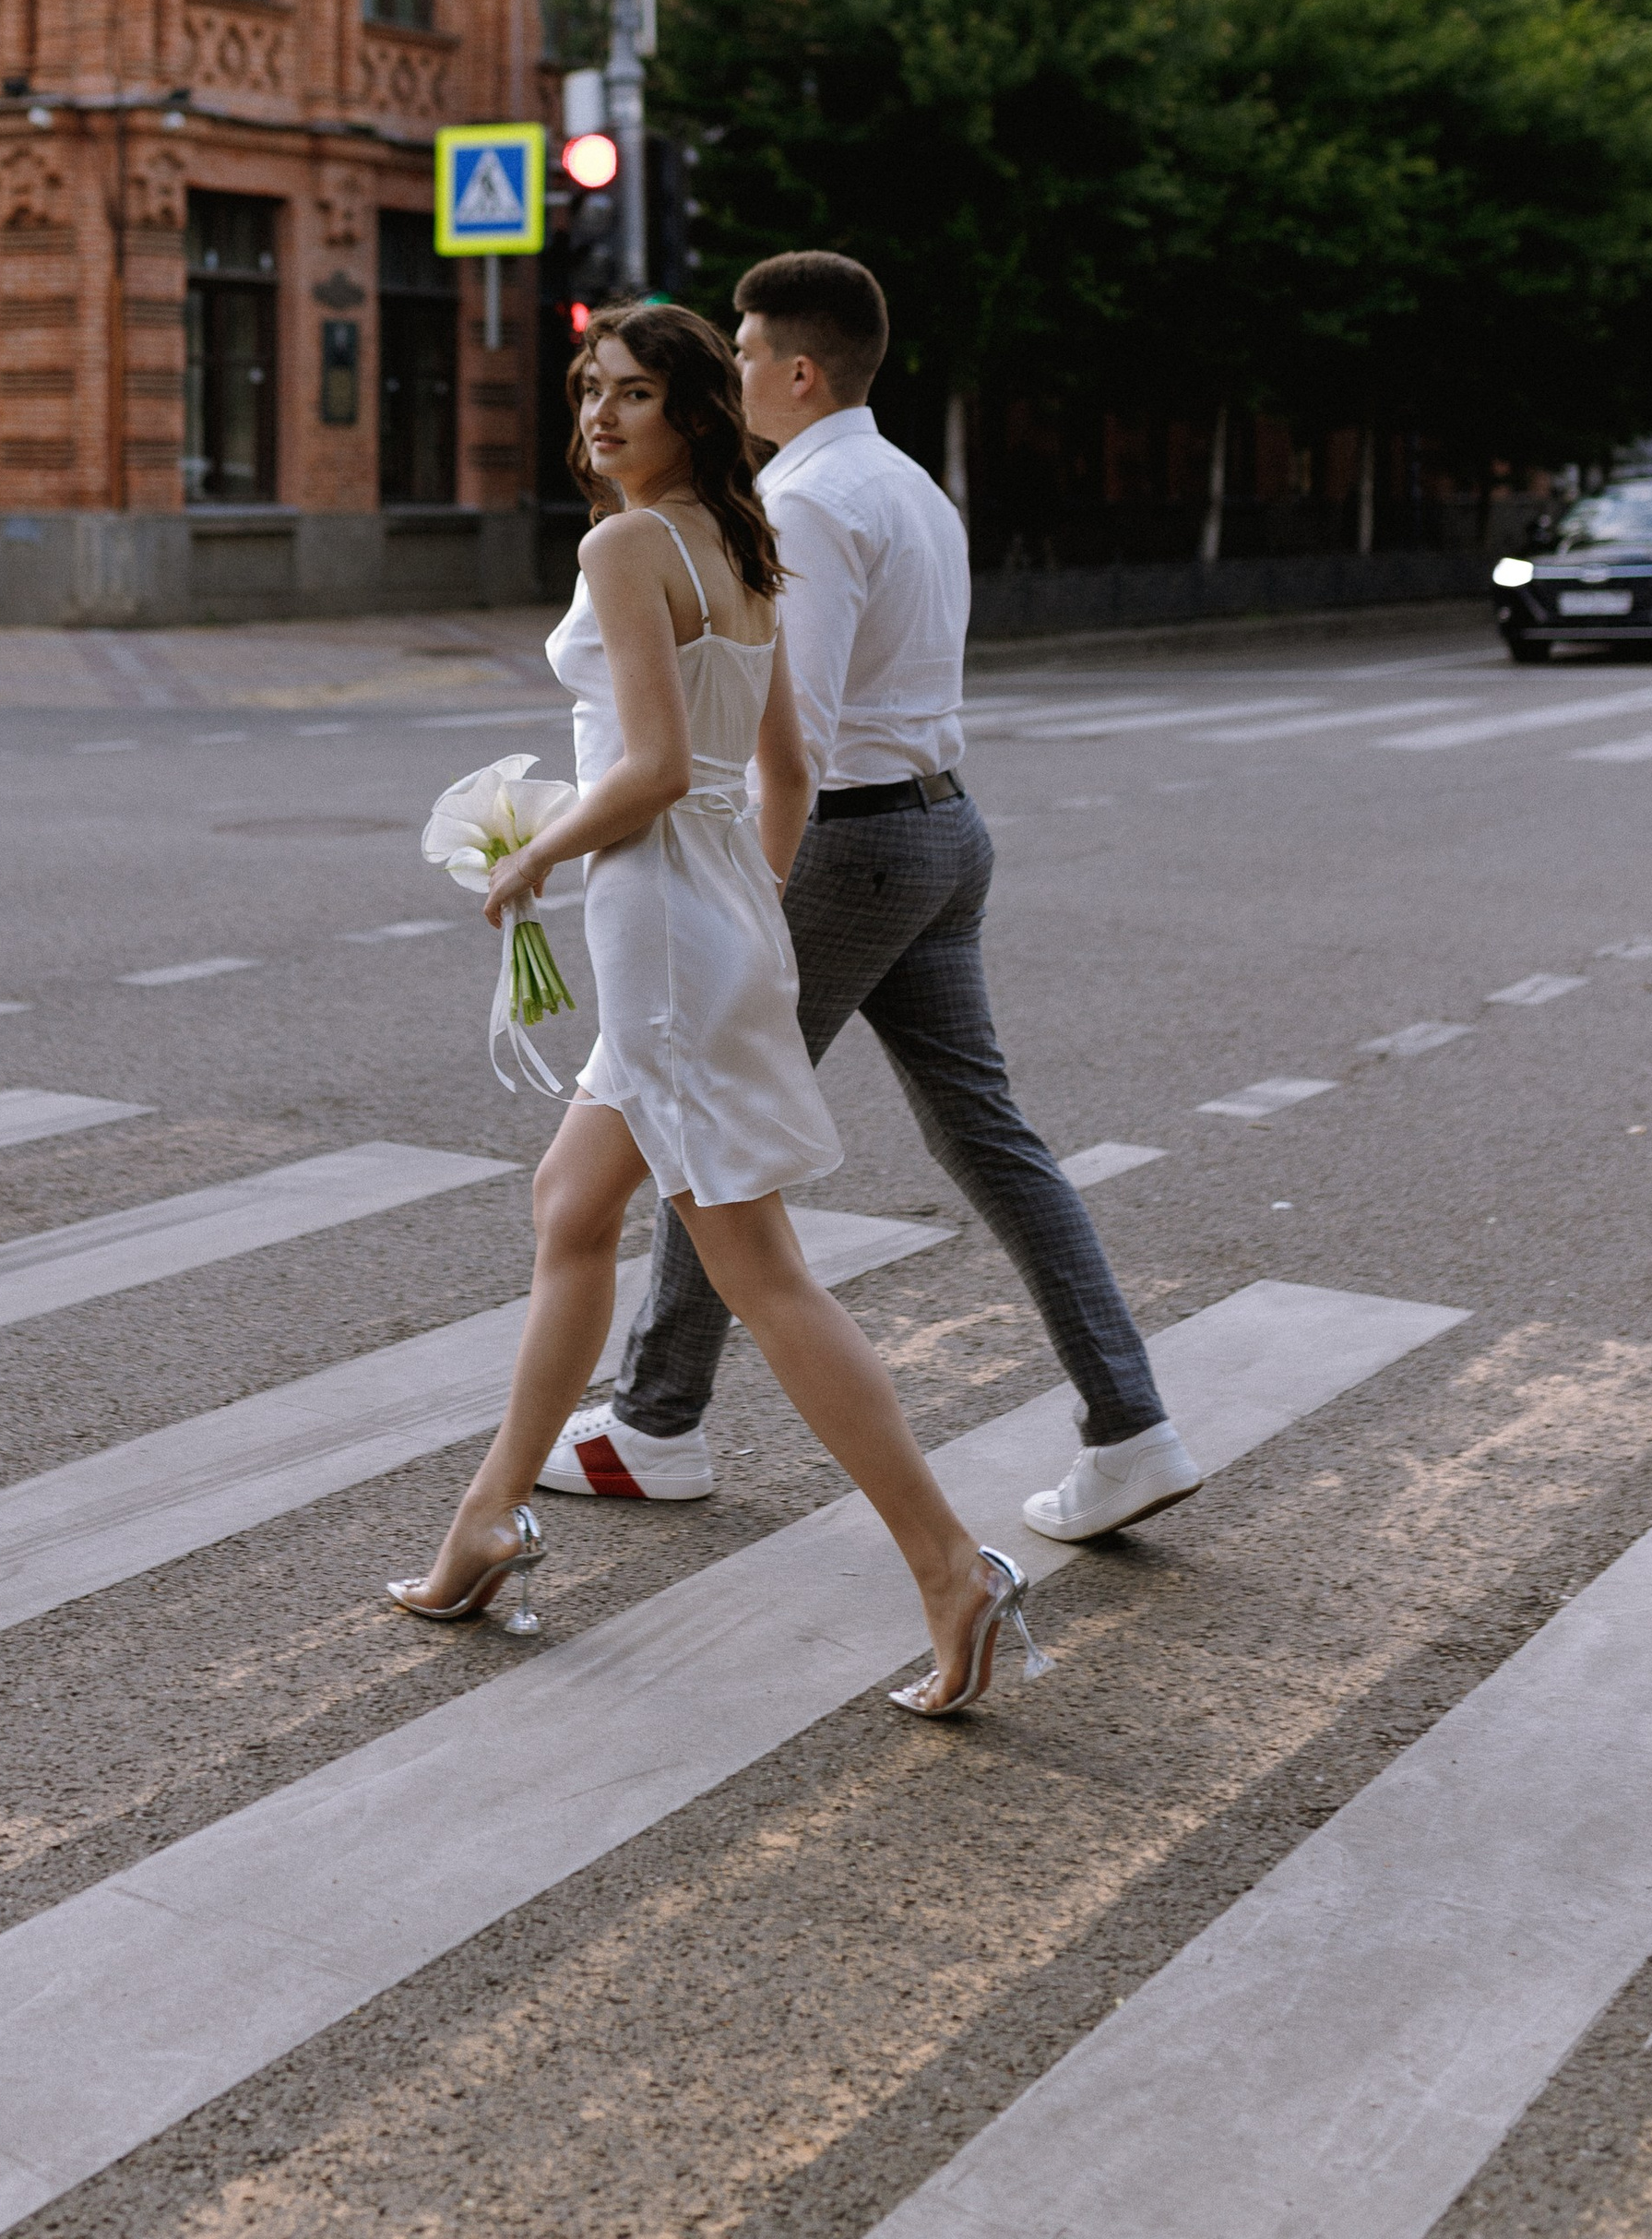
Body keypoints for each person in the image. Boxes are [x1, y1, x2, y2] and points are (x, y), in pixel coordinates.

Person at [388, 302, 1046, 1718]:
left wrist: (528, 862)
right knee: (573, 1208)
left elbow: (647, 766)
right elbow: (785, 773)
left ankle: (950, 1569)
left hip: (660, 927)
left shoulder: (626, 544)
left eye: (633, 393)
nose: (600, 416)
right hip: (705, 915)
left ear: (694, 409)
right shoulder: (743, 548)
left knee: (760, 1269)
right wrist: (732, 905)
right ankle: (487, 1520)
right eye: (588, 390)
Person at [539, 252, 1201, 1547]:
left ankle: (657, 1422)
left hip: (843, 845)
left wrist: (741, 897)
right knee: (985, 1138)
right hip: (942, 826)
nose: (723, 374)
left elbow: (795, 729)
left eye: (735, 355)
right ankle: (1132, 1425)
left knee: (702, 1125)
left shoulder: (803, 504)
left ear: (796, 371)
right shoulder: (906, 483)